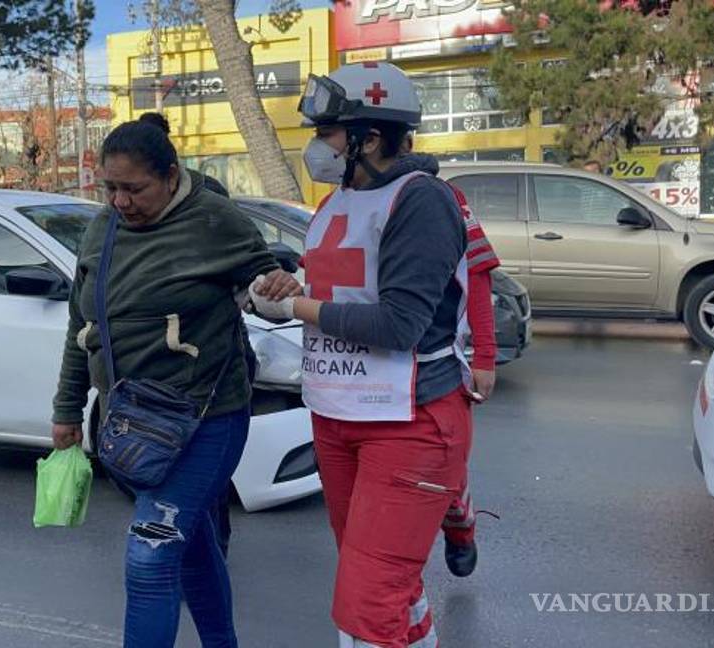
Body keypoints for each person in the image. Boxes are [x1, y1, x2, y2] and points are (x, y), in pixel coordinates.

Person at [50, 120, 299, 647]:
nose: (120, 201)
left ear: (169, 176)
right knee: (192, 548)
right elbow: (81, 324)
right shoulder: (103, 229)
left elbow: (263, 286)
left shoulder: (213, 219)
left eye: (133, 189)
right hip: (132, 426)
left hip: (206, 420)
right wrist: (67, 408)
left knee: (150, 555)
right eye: (110, 188)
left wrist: (277, 285)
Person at [250, 62, 472, 648]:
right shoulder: (338, 201)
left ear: (368, 139)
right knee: (387, 586)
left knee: (366, 604)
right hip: (338, 414)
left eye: (325, 132)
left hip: (408, 422)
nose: (315, 146)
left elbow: (399, 324)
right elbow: (338, 289)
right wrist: (286, 286)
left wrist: (296, 306)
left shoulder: (422, 201)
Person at [138, 110, 243, 559]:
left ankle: (207, 548)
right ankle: (203, 549)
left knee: (197, 470)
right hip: (160, 375)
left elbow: (242, 269)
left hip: (206, 363)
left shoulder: (207, 198)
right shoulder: (124, 213)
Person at [399, 134, 501, 578]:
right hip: (368, 373)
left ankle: (459, 522)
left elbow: (477, 274)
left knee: (446, 466)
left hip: (437, 365)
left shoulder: (444, 198)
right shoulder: (345, 200)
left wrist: (485, 357)